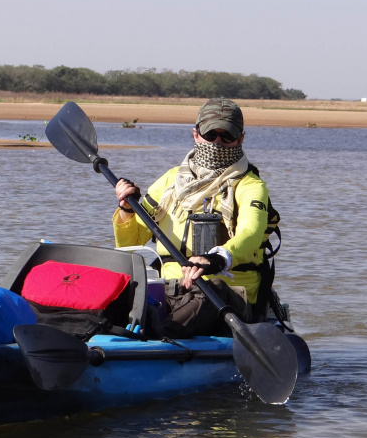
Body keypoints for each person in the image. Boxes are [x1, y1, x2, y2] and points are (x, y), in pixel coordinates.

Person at [112, 98, 277, 338]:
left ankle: (156, 340)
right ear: (196, 134)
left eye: (227, 136)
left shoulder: (251, 186)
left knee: (214, 288)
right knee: (120, 289)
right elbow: (128, 245)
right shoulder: (168, 182)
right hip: (172, 290)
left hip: (229, 295)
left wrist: (218, 258)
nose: (217, 143)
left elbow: (250, 233)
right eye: (210, 135)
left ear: (240, 138)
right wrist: (128, 208)